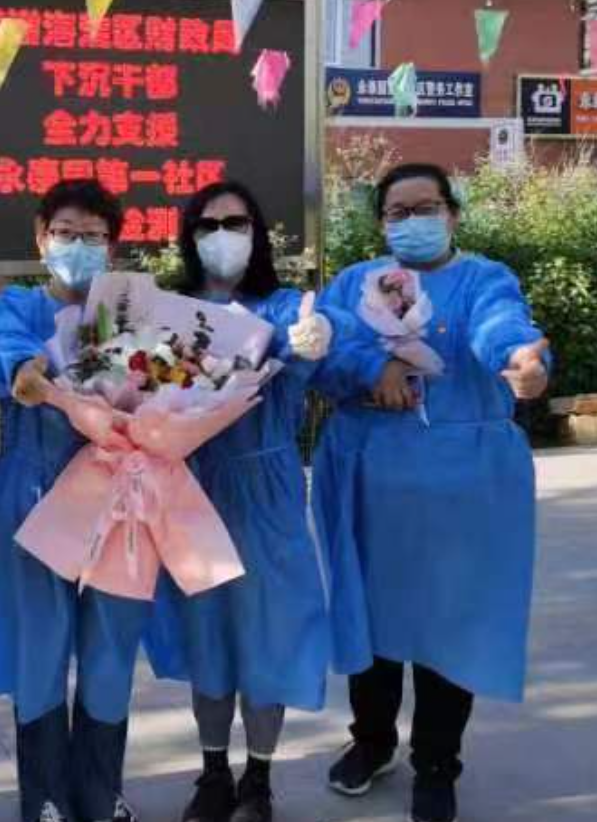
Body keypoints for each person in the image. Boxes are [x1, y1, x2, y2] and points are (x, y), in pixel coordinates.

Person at [312, 163, 550, 822]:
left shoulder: (483, 279)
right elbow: (325, 356)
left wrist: (522, 361)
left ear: (452, 213)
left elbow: (501, 326)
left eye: (426, 208)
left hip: (460, 484)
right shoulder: (355, 284)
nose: (412, 221)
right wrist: (375, 365)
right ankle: (371, 740)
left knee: (450, 623)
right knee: (371, 618)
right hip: (369, 479)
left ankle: (437, 762)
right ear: (381, 223)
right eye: (398, 211)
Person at [141, 181, 344, 822]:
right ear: (189, 237)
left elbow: (305, 355)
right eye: (208, 225)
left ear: (256, 233)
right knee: (206, 632)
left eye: (236, 223)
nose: (222, 236)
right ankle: (212, 774)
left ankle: (258, 780)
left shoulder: (283, 306)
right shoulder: (169, 311)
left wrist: (313, 340)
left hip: (266, 487)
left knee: (268, 633)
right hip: (190, 486)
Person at [0, 180, 144, 822]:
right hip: (35, 491)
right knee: (40, 645)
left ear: (113, 246)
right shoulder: (17, 305)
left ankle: (101, 793)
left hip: (121, 493)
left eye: (94, 236)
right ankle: (45, 796)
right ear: (41, 238)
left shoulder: (133, 313)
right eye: (66, 233)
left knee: (111, 646)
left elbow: (169, 379)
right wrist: (27, 371)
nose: (79, 246)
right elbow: (7, 346)